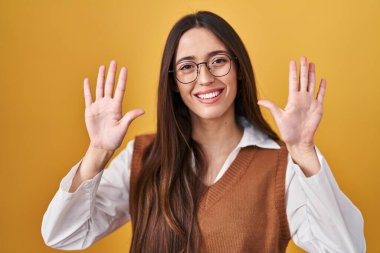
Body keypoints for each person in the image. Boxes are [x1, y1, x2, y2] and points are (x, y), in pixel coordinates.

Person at [41, 11, 365, 253]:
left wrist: (304, 151)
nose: (205, 78)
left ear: (238, 70)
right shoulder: (143, 157)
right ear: (173, 83)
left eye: (218, 61)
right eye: (187, 66)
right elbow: (63, 234)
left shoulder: (282, 166)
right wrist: (97, 152)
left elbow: (345, 248)